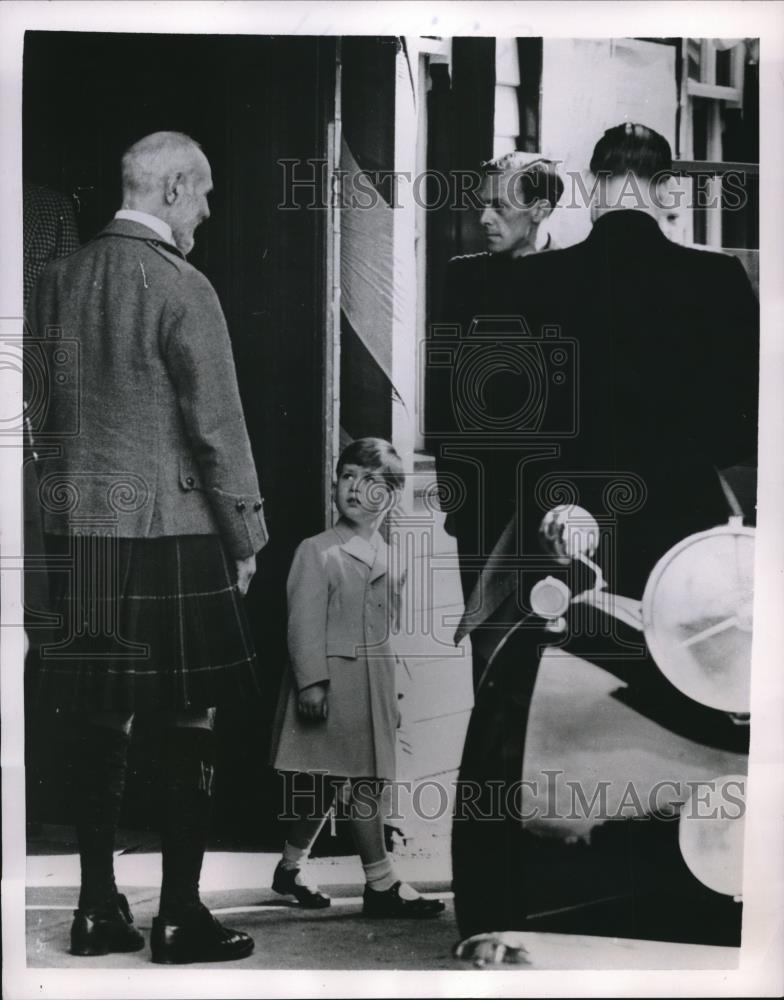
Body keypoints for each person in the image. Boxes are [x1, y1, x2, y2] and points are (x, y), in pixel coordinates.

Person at [450, 123, 759, 941]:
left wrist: (560, 502)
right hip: (688, 539)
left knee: (554, 709)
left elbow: (512, 425)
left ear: (591, 188)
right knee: (695, 709)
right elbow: (748, 431)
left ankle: (536, 896)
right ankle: (694, 877)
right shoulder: (721, 279)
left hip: (570, 527)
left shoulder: (537, 282)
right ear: (665, 190)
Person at [26, 131, 268, 964]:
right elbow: (219, 429)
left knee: (102, 714)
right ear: (169, 190)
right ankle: (178, 919)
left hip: (82, 534)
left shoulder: (56, 281)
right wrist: (247, 538)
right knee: (190, 713)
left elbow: (41, 417)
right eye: (200, 193)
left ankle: (96, 910)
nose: (206, 209)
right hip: (172, 532)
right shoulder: (182, 285)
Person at [269, 438, 445, 918]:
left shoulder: (393, 557)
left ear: (387, 497)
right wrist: (311, 681)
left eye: (369, 482)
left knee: (333, 784)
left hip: (373, 685)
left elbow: (392, 628)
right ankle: (381, 883)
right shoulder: (318, 551)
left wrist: (397, 688)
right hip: (332, 687)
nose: (353, 488)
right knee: (361, 782)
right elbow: (302, 622)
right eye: (346, 476)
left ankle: (290, 867)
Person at [426, 154, 564, 687]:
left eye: (499, 206)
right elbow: (442, 391)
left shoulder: (573, 276)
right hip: (480, 491)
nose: (484, 217)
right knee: (484, 637)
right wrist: (454, 489)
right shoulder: (464, 277)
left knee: (547, 633)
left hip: (551, 495)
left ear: (541, 209)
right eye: (482, 203)